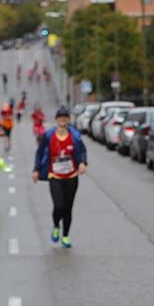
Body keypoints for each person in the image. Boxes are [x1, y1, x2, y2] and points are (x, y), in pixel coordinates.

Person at [33, 106, 87, 249]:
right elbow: (39, 153)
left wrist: (82, 163)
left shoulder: (75, 136)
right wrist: (36, 170)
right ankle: (56, 225)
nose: (63, 119)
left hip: (72, 176)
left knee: (68, 208)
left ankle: (65, 236)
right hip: (55, 175)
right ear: (56, 119)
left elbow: (82, 151)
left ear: (68, 120)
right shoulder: (49, 135)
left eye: (65, 117)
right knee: (59, 206)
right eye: (60, 117)